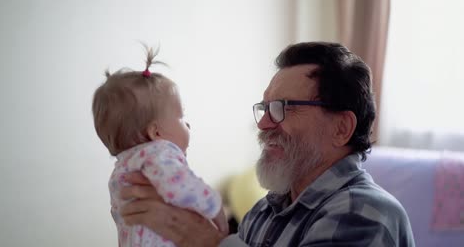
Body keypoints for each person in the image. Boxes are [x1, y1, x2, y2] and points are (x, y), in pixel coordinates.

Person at [119, 42, 416, 246]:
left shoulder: (364, 213)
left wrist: (211, 243)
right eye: (265, 108)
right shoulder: (265, 210)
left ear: (341, 128)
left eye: (283, 108)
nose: (263, 124)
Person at [92, 46, 228, 246]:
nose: (188, 124)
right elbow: (181, 187)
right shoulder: (159, 153)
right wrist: (215, 207)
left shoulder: (122, 170)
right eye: (182, 117)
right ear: (156, 133)